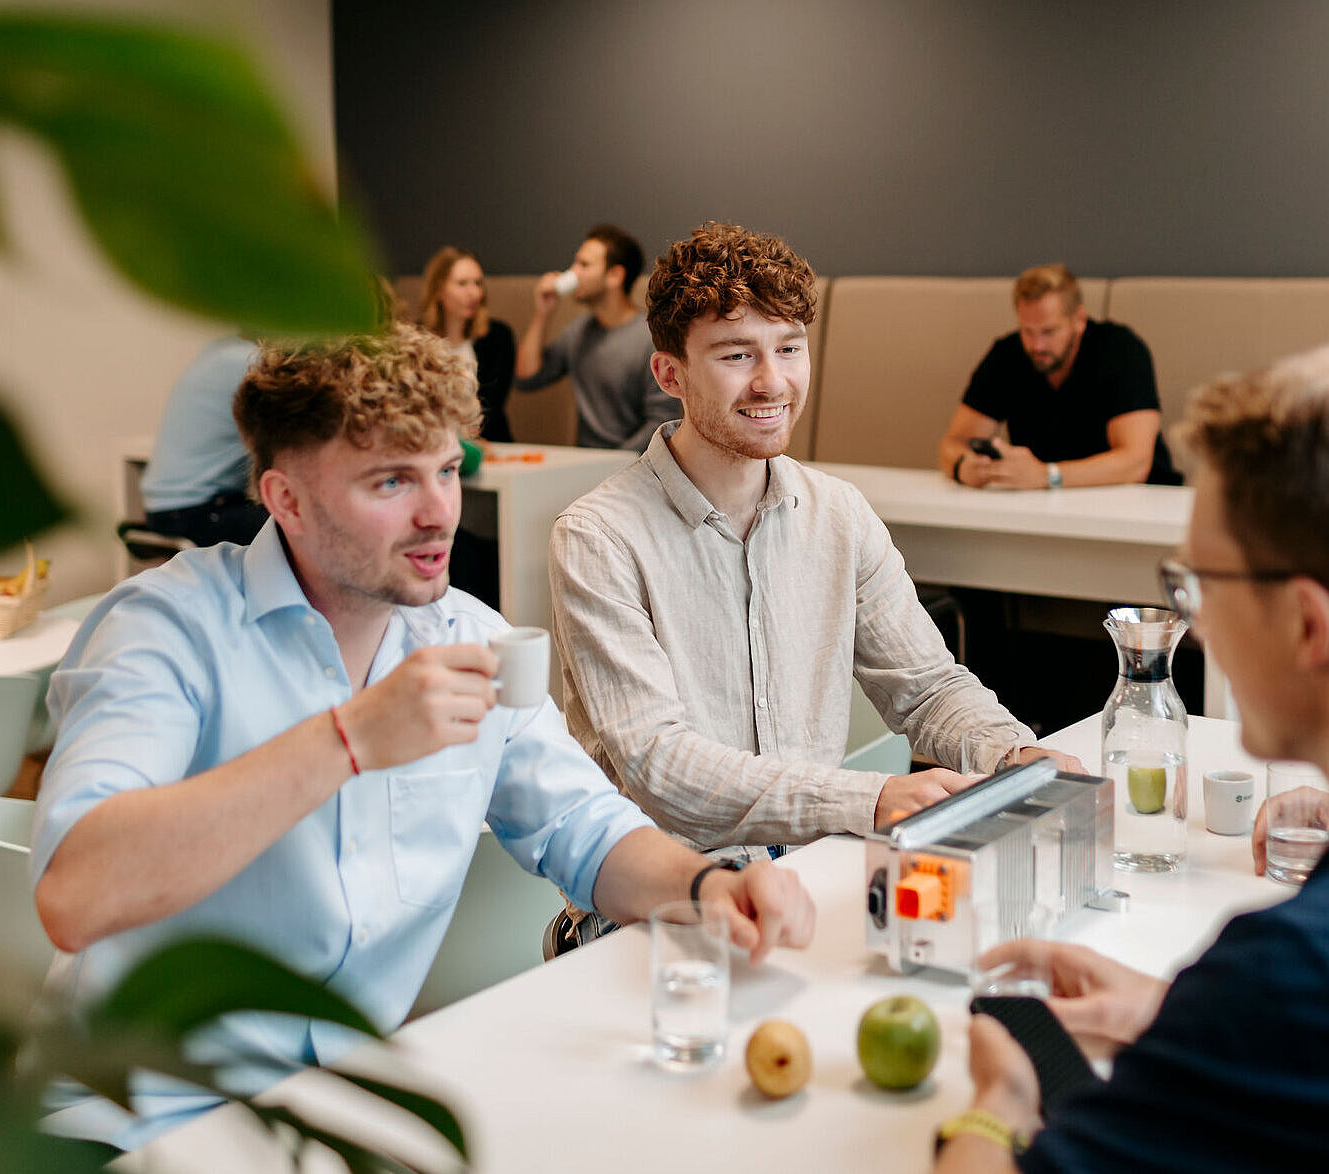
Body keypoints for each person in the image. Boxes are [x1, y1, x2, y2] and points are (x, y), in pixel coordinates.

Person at [31, 322, 814, 1149]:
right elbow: (76, 894)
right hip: (137, 1122)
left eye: (446, 469)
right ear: (285, 498)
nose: (441, 511)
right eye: (391, 481)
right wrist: (350, 739)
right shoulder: (165, 630)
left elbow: (583, 829)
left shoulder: (467, 638)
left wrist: (704, 889)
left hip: (339, 1115)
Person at [548, 222, 1078, 945]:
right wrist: (874, 799)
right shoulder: (598, 537)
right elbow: (658, 766)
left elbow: (925, 688)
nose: (773, 382)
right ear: (670, 375)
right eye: (737, 355)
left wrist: (1011, 752)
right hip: (656, 909)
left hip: (811, 883)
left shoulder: (840, 515)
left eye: (789, 349)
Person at [932, 345, 1329, 1171]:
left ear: (1306, 625)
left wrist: (997, 1102)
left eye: (1202, 586)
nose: (1199, 623)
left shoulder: (1285, 969)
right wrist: (1175, 1016)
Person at [938, 264, 1181, 490]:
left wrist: (1046, 475)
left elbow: (1135, 463)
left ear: (1079, 320)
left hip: (1142, 504)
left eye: (1048, 331)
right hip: (1046, 509)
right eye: (1027, 331)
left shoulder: (1121, 350)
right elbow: (953, 443)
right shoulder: (1007, 355)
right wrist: (964, 466)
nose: (1037, 345)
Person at [514, 223, 676, 452]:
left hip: (633, 469)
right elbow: (526, 379)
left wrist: (614, 468)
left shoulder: (651, 338)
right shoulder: (579, 331)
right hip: (586, 465)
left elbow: (661, 422)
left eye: (584, 265)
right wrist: (543, 313)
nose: (573, 273)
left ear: (614, 275)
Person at [139, 334, 268, 546]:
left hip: (164, 507)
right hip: (197, 512)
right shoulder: (249, 361)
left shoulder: (219, 350)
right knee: (295, 521)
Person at [417, 246, 517, 442]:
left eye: (478, 283)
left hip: (489, 443)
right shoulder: (416, 339)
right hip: (432, 444)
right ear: (438, 290)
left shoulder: (497, 336)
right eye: (462, 284)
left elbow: (493, 405)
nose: (474, 293)